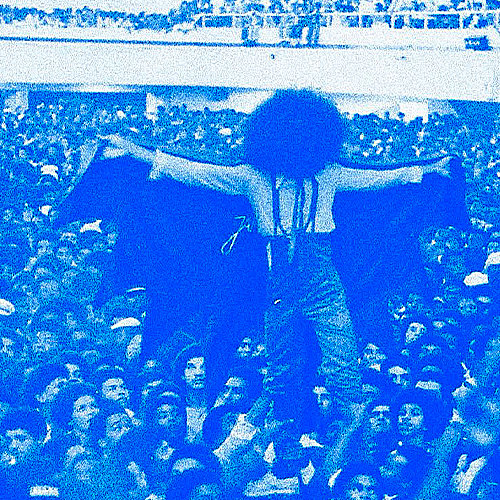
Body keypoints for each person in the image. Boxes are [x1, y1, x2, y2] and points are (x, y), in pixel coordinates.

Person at [102, 89, 453, 422]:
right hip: (280, 283)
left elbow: (380, 178)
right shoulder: (251, 178)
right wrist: (135, 152)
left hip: (323, 284)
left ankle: (354, 435)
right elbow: (195, 172)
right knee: (280, 373)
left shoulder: (329, 174)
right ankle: (273, 437)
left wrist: (427, 170)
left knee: (343, 367)